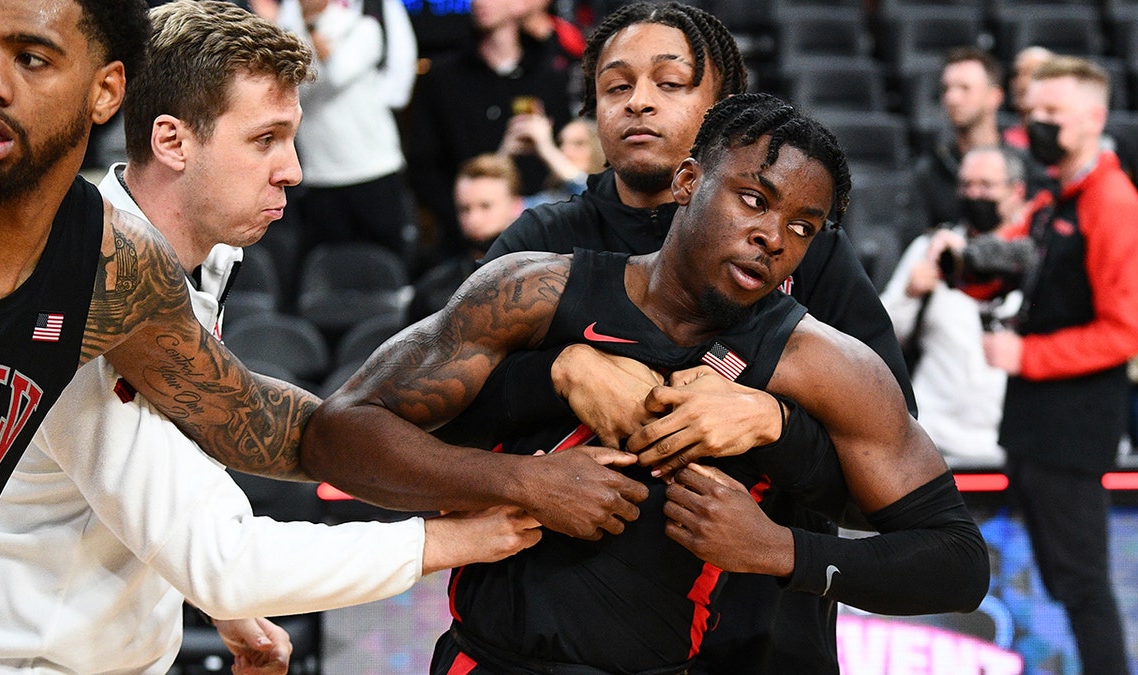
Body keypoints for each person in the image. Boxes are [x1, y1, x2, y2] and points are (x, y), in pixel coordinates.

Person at [0, 3, 542, 673]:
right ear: (172, 141)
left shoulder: (198, 261)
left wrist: (224, 608)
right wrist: (463, 536)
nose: (294, 168)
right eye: (266, 139)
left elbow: (174, 479)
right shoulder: (89, 285)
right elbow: (223, 556)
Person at [303, 92, 989, 674]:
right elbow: (339, 435)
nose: (772, 236)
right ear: (688, 181)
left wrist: (780, 548)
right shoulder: (536, 290)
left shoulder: (825, 363)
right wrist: (522, 482)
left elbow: (958, 563)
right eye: (754, 199)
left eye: (801, 227)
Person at [437, 5, 915, 670]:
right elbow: (437, 428)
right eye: (616, 86)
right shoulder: (537, 244)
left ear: (725, 112)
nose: (638, 103)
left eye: (670, 84)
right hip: (548, 643)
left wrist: (774, 423)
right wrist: (558, 372)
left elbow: (882, 472)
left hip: (763, 641)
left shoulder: (808, 253)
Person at [971, 56, 1138, 674]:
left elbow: (1125, 332)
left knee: (1086, 591)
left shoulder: (1112, 201)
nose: (1036, 124)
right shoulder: (1056, 196)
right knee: (1065, 588)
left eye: (1053, 113)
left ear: (1094, 118)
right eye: (1032, 112)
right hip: (1037, 427)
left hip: (1071, 430)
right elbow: (1028, 283)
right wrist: (974, 276)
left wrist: (1026, 354)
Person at [880, 145, 1029, 469]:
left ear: (1016, 192)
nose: (974, 195)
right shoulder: (931, 248)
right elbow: (877, 338)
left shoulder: (1035, 258)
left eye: (986, 186)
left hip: (1013, 444)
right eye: (967, 185)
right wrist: (910, 292)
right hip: (933, 441)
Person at [406, 0, 575, 261]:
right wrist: (465, 217)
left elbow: (575, 154)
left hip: (546, 240)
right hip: (464, 246)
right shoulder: (441, 79)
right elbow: (422, 166)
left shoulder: (549, 75)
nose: (479, 2)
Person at [271, 0, 418, 257]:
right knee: (330, 269)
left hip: (374, 169)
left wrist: (312, 29)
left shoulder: (362, 27)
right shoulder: (286, 37)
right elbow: (289, 90)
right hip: (321, 175)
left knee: (387, 261)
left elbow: (336, 74)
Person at [408, 153, 525, 323]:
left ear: (516, 206)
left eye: (486, 206)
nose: (474, 220)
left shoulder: (543, 277)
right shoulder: (432, 292)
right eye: (464, 209)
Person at [912, 46, 1007, 231]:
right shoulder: (930, 170)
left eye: (965, 88)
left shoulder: (1021, 164)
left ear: (994, 96)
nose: (952, 98)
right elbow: (915, 237)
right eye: (947, 89)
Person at [499, 115, 606, 208]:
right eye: (561, 143)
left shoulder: (611, 194)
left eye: (579, 143)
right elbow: (499, 207)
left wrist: (546, 147)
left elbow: (585, 190)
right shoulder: (549, 202)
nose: (565, 151)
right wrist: (506, 153)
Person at [1001, 45, 1055, 150]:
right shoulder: (1002, 138)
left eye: (1031, 73)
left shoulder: (1062, 138)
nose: (1021, 82)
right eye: (1017, 74)